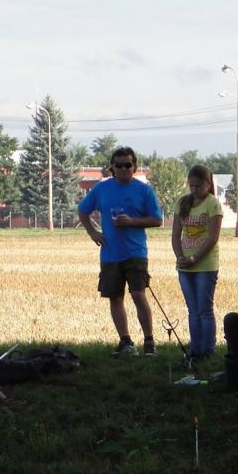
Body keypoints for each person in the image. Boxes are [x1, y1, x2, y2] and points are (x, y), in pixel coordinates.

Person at [77, 147, 164, 356]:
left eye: (128, 165)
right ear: (112, 168)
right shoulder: (101, 189)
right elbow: (82, 210)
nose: (124, 169)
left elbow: (157, 219)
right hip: (110, 253)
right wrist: (93, 233)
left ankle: (149, 341)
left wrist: (133, 221)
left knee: (138, 294)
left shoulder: (144, 190)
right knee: (115, 297)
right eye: (119, 165)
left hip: (136, 252)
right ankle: (126, 342)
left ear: (134, 167)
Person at [171, 164, 223, 365]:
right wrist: (180, 256)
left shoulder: (213, 204)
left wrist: (196, 258)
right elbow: (176, 235)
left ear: (208, 184)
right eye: (191, 185)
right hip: (185, 265)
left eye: (198, 186)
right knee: (192, 309)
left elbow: (213, 237)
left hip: (205, 265)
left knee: (204, 309)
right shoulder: (182, 203)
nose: (194, 189)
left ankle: (208, 350)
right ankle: (195, 349)